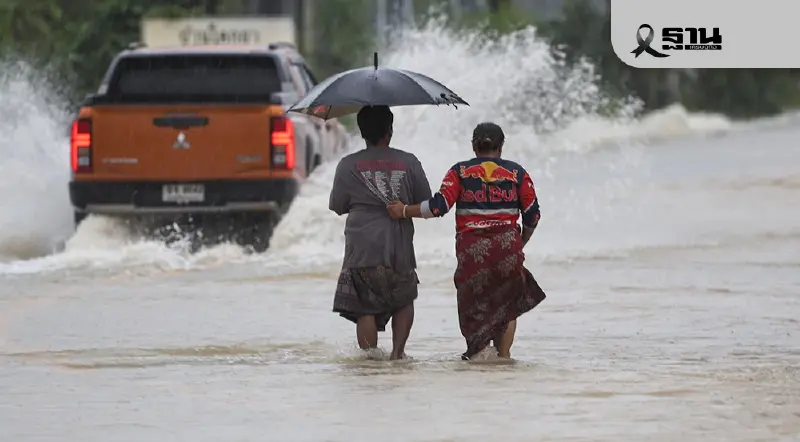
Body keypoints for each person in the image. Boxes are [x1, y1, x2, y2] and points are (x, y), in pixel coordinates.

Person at [387, 122, 546, 360]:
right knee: (506, 305)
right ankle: (503, 358)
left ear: (474, 146)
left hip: (473, 252)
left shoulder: (459, 172)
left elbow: (438, 207)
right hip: (508, 249)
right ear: (501, 146)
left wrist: (403, 211)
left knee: (475, 305)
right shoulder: (517, 173)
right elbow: (533, 214)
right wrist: (519, 242)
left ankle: (480, 356)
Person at [329, 105, 433, 360]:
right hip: (397, 245)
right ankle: (398, 354)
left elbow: (337, 206)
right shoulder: (409, 161)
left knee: (365, 307)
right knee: (403, 299)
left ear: (363, 132)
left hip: (361, 246)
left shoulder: (347, 165)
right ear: (390, 129)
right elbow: (427, 204)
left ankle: (370, 360)